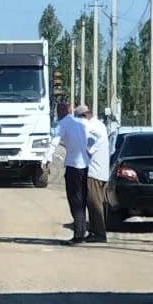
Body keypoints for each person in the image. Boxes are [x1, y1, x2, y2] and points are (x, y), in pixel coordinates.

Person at [54, 102, 90, 244]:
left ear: (62, 112)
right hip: (85, 166)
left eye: (58, 111)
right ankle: (81, 231)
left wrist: (45, 159)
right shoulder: (81, 123)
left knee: (74, 200)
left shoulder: (63, 124)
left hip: (73, 166)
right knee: (81, 200)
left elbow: (54, 142)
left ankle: (78, 235)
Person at [80, 106, 109, 243]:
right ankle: (94, 231)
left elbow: (89, 148)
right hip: (101, 172)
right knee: (94, 203)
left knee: (94, 204)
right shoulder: (100, 125)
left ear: (85, 115)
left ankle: (99, 234)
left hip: (94, 172)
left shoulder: (91, 127)